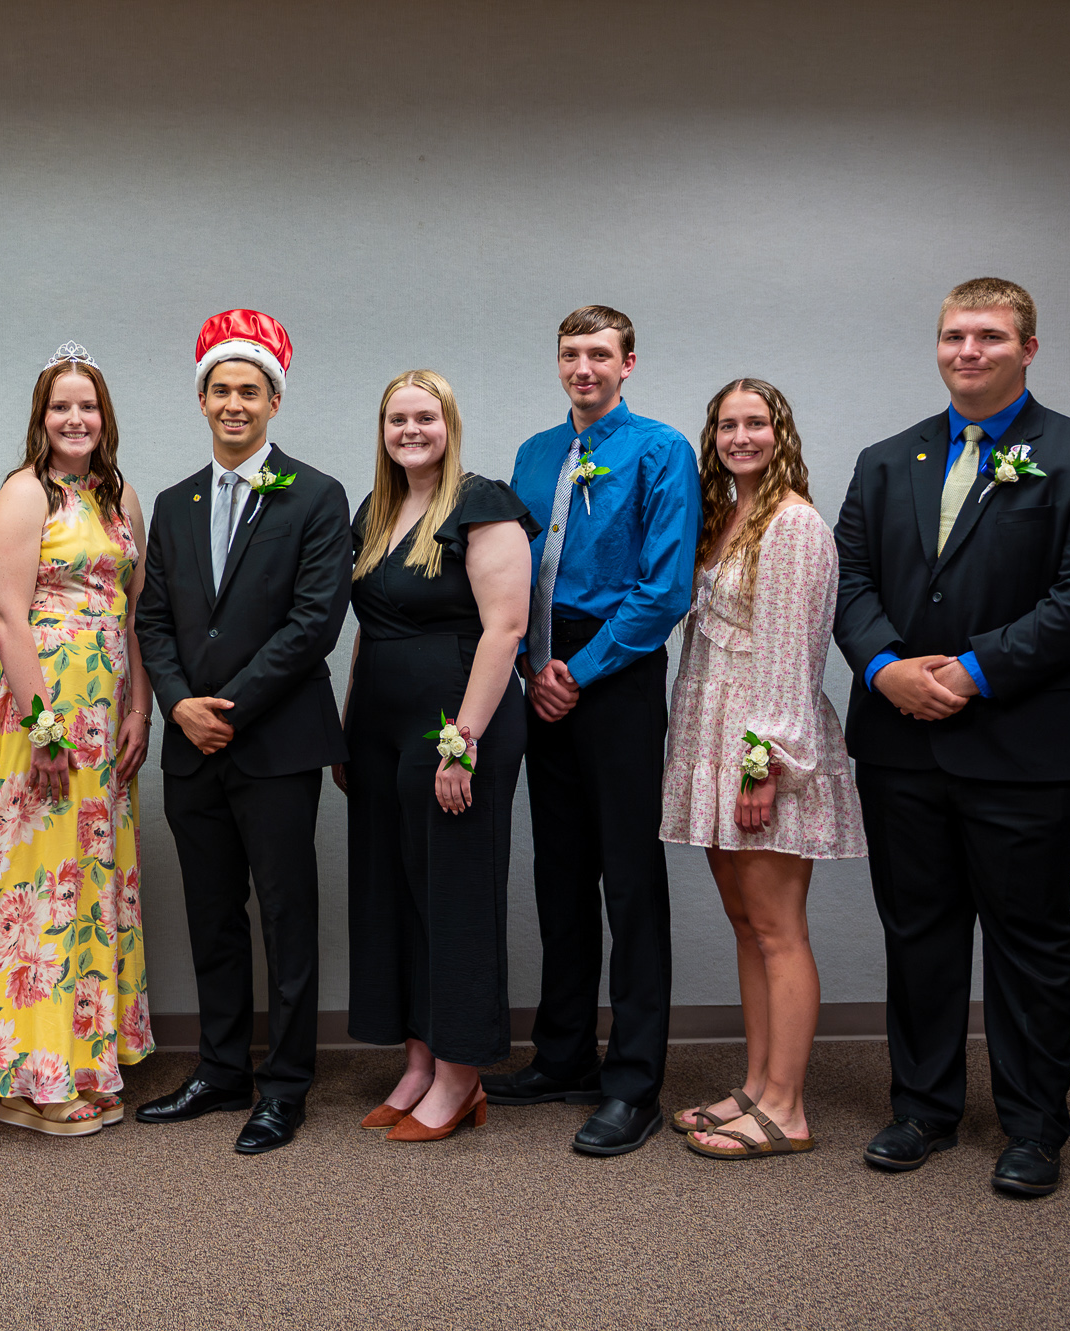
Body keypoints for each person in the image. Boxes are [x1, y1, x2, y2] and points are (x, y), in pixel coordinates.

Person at [833, 278, 1070, 1197]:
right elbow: (848, 580)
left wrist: (969, 671)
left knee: (1027, 941)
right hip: (900, 743)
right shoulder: (886, 460)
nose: (968, 350)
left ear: (1028, 348)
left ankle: (1035, 1127)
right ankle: (923, 1108)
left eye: (990, 336)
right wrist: (884, 668)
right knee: (918, 932)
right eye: (954, 335)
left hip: (1025, 750)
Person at [484, 305, 701, 1156]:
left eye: (600, 354)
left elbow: (665, 586)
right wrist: (530, 664)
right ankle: (564, 1053)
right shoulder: (536, 453)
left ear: (628, 363)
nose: (584, 367)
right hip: (540, 673)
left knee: (630, 880)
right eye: (571, 353)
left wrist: (580, 669)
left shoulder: (661, 450)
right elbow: (511, 570)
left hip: (614, 674)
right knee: (561, 872)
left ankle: (634, 1081)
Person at [135, 310, 353, 1155]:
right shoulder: (174, 503)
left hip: (275, 743)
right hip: (190, 748)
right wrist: (179, 704)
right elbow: (154, 620)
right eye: (221, 389)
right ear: (202, 400)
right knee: (212, 913)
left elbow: (313, 623)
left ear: (273, 401)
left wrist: (225, 707)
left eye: (250, 391)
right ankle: (221, 1069)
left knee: (287, 917)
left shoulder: (317, 496)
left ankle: (285, 1086)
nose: (234, 403)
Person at [0, 342, 157, 1135]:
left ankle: (84, 1060)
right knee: (37, 887)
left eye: (88, 405)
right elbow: (7, 614)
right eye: (61, 406)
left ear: (105, 416)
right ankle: (32, 1080)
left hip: (106, 716)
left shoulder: (119, 496)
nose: (76, 418)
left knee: (88, 891)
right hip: (41, 714)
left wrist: (140, 708)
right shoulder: (23, 493)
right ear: (41, 418)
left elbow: (134, 614)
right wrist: (41, 723)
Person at [660, 379, 865, 1160]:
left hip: (760, 744)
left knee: (779, 929)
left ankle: (788, 1107)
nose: (740, 436)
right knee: (746, 925)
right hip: (710, 732)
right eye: (727, 424)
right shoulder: (725, 517)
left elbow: (793, 654)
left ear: (781, 432)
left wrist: (765, 762)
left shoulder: (793, 524)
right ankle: (755, 1086)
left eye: (755, 423)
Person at [336, 371, 534, 1142]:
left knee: (454, 893)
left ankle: (461, 1074)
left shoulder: (482, 503)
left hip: (455, 723)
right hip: (380, 723)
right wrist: (349, 726)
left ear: (448, 423)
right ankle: (419, 1060)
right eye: (397, 418)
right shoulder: (376, 510)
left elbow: (505, 628)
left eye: (425, 416)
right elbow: (371, 627)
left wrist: (463, 742)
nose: (410, 430)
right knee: (397, 893)